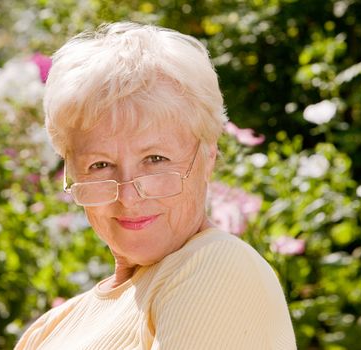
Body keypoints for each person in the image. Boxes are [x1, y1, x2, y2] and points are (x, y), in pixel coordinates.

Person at [15, 22, 296, 349]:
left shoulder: (217, 267)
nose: (129, 196)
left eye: (156, 159)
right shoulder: (50, 329)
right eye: (100, 165)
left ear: (208, 158)